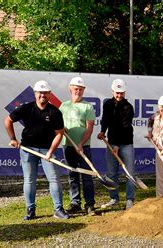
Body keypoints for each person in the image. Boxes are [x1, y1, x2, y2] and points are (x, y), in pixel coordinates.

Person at [4, 80, 69, 220]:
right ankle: (30, 210)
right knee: (29, 180)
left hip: (47, 150)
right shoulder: (26, 108)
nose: (42, 95)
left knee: (54, 179)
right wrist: (13, 138)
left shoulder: (55, 112)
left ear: (50, 94)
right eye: (40, 92)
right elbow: (8, 120)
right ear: (35, 94)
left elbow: (59, 133)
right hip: (28, 149)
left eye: (45, 93)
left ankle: (58, 209)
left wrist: (50, 152)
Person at [59, 76, 97, 215]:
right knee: (72, 175)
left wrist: (81, 144)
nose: (78, 91)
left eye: (81, 89)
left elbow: (89, 128)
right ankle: (75, 203)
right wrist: (61, 129)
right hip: (68, 146)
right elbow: (58, 126)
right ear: (70, 88)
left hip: (83, 147)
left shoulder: (87, 106)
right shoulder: (63, 106)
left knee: (87, 176)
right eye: (76, 89)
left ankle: (90, 205)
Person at [97, 79, 136, 209]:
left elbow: (124, 127)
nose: (119, 95)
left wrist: (118, 146)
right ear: (112, 91)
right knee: (111, 174)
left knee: (129, 173)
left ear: (124, 92)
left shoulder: (128, 107)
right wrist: (103, 131)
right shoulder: (107, 104)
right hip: (111, 144)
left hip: (125, 144)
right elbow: (105, 119)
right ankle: (114, 199)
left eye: (121, 93)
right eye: (117, 93)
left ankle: (130, 200)